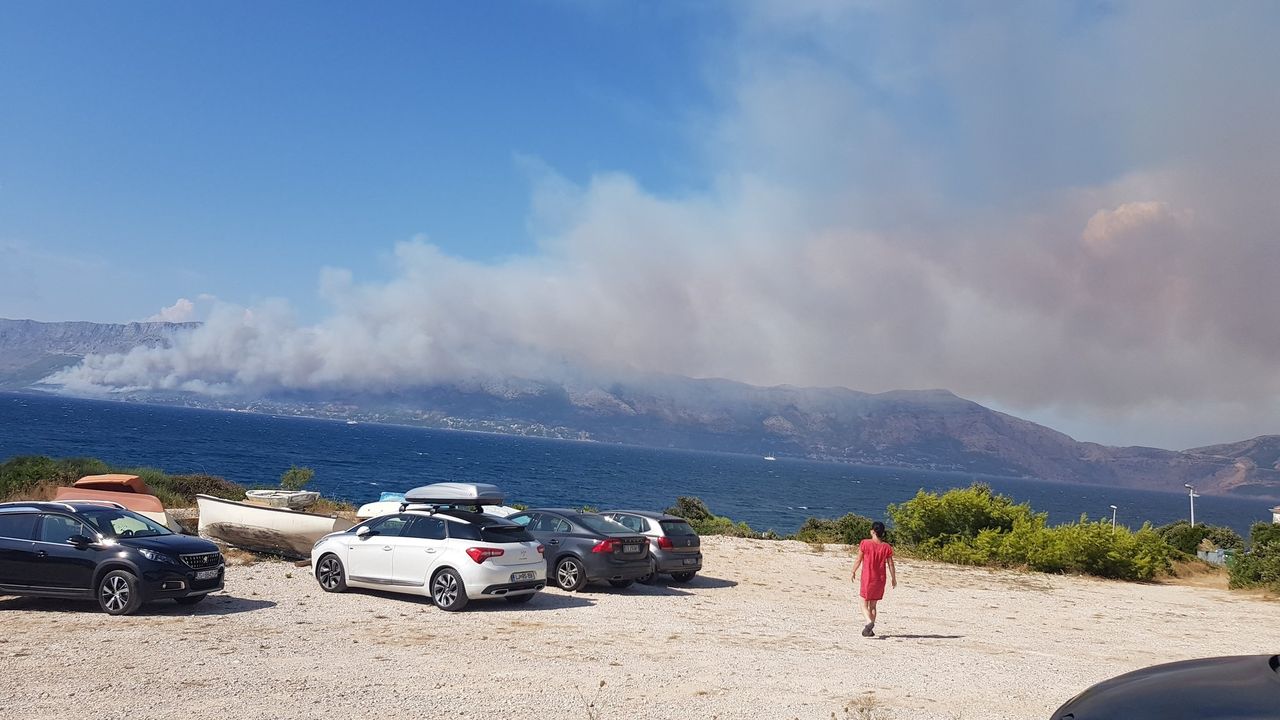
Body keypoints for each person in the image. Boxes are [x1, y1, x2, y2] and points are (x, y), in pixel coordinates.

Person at [850, 521, 896, 637]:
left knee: (863, 603)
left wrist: (853, 571)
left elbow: (858, 559)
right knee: (873, 606)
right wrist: (893, 578)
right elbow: (891, 564)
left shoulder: (865, 543)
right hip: (880, 579)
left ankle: (869, 622)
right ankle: (870, 630)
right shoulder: (887, 547)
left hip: (868, 578)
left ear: (873, 531)